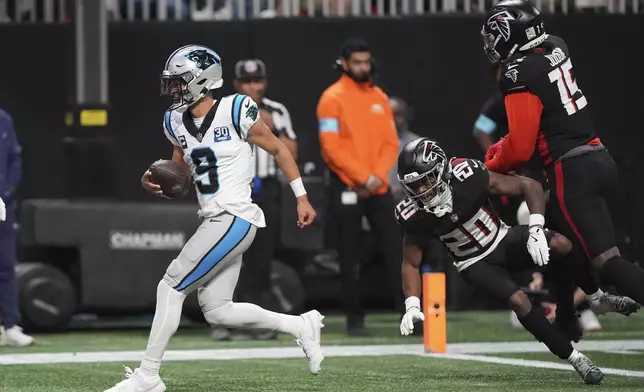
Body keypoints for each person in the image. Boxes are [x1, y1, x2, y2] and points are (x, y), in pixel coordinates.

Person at [105, 45, 324, 392]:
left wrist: (301, 197)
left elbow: (279, 148)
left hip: (235, 215)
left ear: (201, 80)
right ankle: (300, 326)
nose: (173, 90)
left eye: (179, 83)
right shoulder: (174, 120)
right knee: (217, 310)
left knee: (171, 286)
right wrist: (156, 179)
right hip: (215, 218)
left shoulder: (235, 108)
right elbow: (181, 170)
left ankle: (148, 376)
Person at [395, 138, 603, 384]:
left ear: (441, 169)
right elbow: (411, 263)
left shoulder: (467, 175)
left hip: (502, 238)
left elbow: (529, 186)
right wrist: (411, 304)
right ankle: (575, 357)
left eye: (426, 180)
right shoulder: (413, 215)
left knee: (560, 243)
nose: (421, 191)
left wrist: (536, 227)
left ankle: (587, 301)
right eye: (414, 185)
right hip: (473, 262)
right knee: (519, 300)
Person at [481, 0, 644, 311]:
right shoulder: (557, 45)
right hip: (598, 157)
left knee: (606, 264)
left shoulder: (517, 72)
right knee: (563, 245)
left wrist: (493, 161)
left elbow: (520, 147)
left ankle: (590, 304)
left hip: (571, 170)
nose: (490, 42)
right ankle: (575, 315)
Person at [317, 38, 404, 335]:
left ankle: (407, 314)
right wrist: (361, 177)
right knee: (349, 256)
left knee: (397, 252)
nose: (363, 67)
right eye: (357, 62)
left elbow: (391, 142)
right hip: (347, 187)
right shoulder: (332, 98)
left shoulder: (380, 97)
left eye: (366, 62)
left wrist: (377, 176)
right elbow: (331, 147)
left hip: (378, 189)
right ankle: (355, 319)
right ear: (344, 63)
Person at [210, 59, 299, 342]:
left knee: (261, 256)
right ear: (237, 84)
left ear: (264, 83)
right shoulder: (223, 110)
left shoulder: (276, 111)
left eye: (257, 81)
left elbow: (292, 152)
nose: (252, 86)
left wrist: (274, 130)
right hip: (231, 188)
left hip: (266, 189)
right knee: (228, 254)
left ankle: (254, 320)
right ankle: (222, 317)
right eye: (246, 81)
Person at [0, 109, 33, 347]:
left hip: (3, 203)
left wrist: (6, 194)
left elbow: (14, 159)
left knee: (6, 265)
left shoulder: (4, 119)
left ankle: (10, 325)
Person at [389, 97, 420, 201]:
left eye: (397, 115)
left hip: (408, 199)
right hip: (378, 199)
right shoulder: (371, 143)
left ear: (405, 116)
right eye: (389, 115)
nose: (392, 119)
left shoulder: (417, 144)